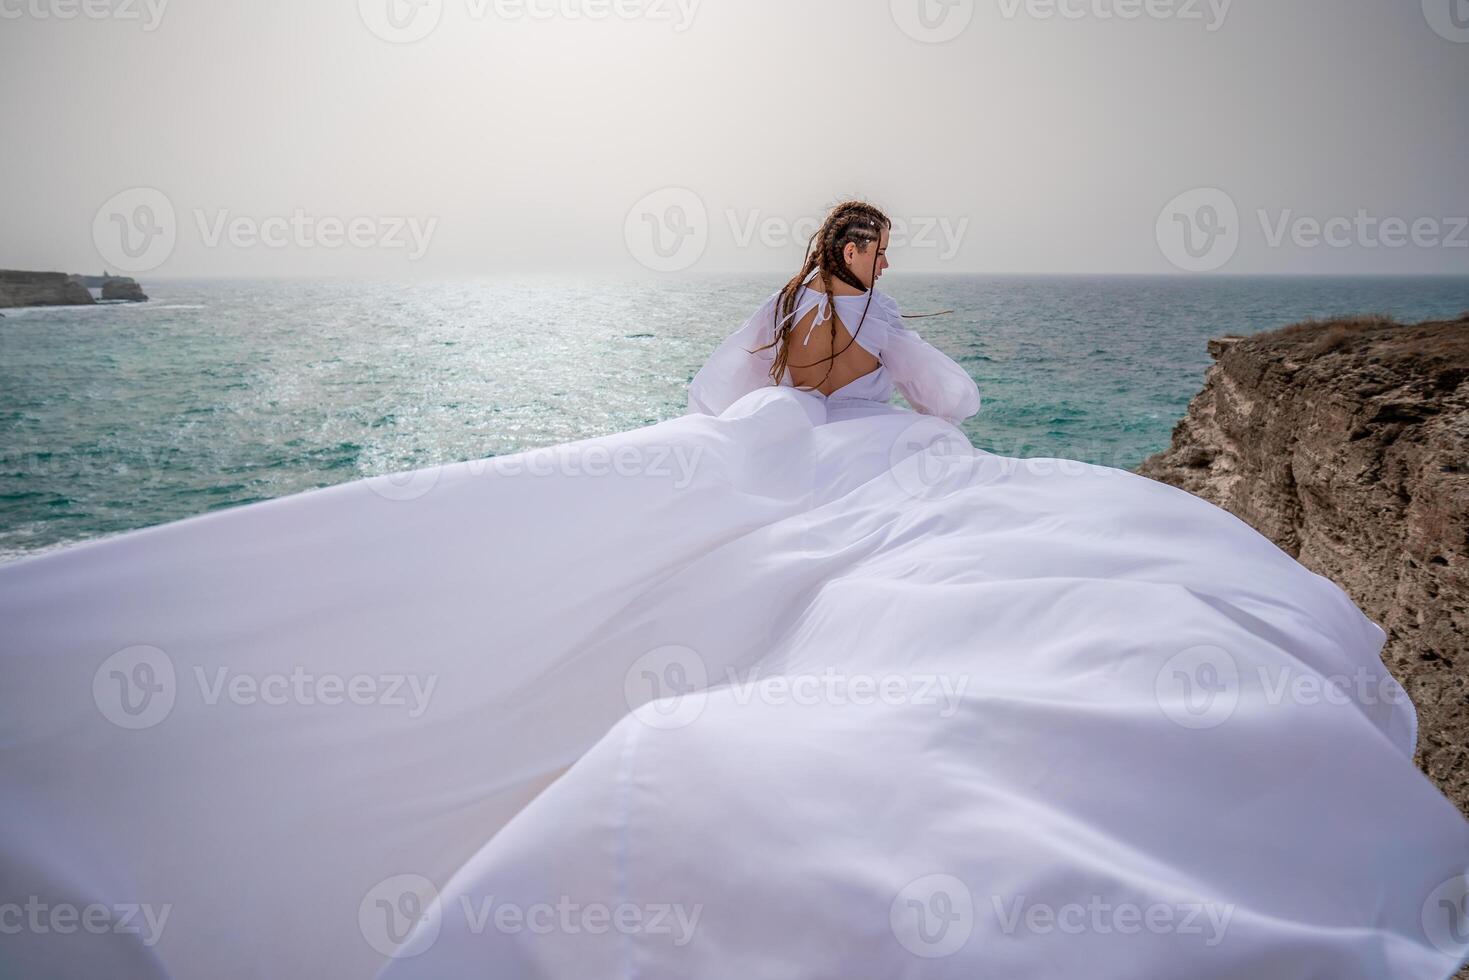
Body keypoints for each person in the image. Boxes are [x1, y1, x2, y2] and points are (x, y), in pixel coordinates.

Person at [2, 201, 1467, 980]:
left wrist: (751, 421)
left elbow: (714, 392)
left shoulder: (777, 314)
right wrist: (923, 407)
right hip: (861, 466)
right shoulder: (872, 320)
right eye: (872, 248)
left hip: (771, 453)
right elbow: (943, 398)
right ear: (862, 252)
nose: (873, 265)